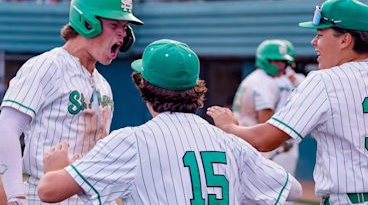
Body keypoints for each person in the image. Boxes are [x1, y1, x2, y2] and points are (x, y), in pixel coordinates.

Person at [37, 39, 303, 204]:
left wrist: (55, 168)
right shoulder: (230, 143)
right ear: (195, 87)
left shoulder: (132, 141)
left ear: (143, 86)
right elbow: (294, 190)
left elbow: (49, 191)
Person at [207, 0, 368, 204]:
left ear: (345, 40)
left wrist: (228, 127)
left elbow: (265, 140)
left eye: (320, 34)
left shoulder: (325, 80)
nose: (314, 42)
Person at [0, 0, 143, 204]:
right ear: (87, 23)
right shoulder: (47, 65)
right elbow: (7, 127)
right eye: (114, 24)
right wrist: (15, 196)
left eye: (125, 27)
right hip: (41, 195)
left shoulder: (103, 84)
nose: (122, 34)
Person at [231, 39, 299, 177]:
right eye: (277, 61)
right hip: (258, 147)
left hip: (245, 142)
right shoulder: (264, 82)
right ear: (264, 60)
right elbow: (265, 120)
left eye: (283, 62)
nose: (282, 66)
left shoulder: (255, 78)